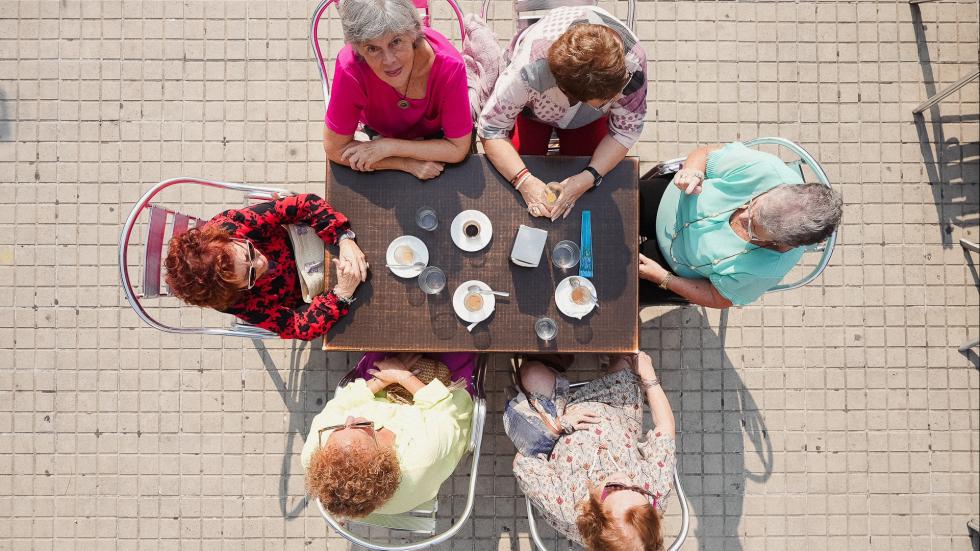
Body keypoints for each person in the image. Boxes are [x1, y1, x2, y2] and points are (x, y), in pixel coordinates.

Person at [478, 5, 647, 221]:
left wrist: (588, 177)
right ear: (565, 92)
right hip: (532, 108)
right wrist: (524, 181)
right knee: (514, 186)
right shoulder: (528, 70)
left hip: (586, 121)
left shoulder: (633, 66)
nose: (611, 105)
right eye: (601, 103)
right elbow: (492, 129)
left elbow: (626, 130)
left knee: (588, 191)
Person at [638, 141, 843, 308]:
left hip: (668, 266)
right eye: (752, 206)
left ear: (782, 244)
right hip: (670, 199)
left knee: (613, 285)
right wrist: (693, 170)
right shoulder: (767, 170)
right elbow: (707, 154)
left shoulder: (767, 270)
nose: (743, 217)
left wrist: (664, 278)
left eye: (752, 228)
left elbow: (719, 297)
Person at [506, 352, 675, 550]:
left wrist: (559, 425)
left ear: (593, 514)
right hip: (617, 408)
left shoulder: (566, 507)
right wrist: (650, 379)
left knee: (531, 373)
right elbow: (665, 428)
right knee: (626, 350)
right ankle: (607, 359)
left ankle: (554, 362)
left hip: (560, 415)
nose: (623, 478)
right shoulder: (655, 495)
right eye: (637, 489)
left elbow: (524, 460)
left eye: (613, 488)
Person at [164, 193, 367, 340]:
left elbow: (304, 204)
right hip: (314, 291)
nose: (261, 262)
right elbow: (298, 327)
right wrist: (341, 293)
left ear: (228, 239)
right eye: (251, 275)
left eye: (249, 252)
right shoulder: (229, 299)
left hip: (313, 240)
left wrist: (343, 238)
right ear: (236, 289)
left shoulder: (231, 225)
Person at [303, 352, 474, 517]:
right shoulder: (422, 457)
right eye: (362, 427)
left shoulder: (317, 455)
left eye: (339, 428)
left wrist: (382, 380)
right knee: (459, 345)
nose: (350, 418)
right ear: (382, 455)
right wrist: (402, 376)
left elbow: (340, 404)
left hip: (378, 388)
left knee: (383, 335)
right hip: (441, 400)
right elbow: (443, 410)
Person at [322, 0, 473, 181]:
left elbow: (457, 148)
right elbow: (334, 148)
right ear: (358, 49)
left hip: (436, 136)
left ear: (413, 33)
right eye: (372, 48)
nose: (389, 60)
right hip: (377, 133)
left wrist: (389, 147)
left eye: (396, 41)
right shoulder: (350, 67)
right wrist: (404, 163)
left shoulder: (449, 67)